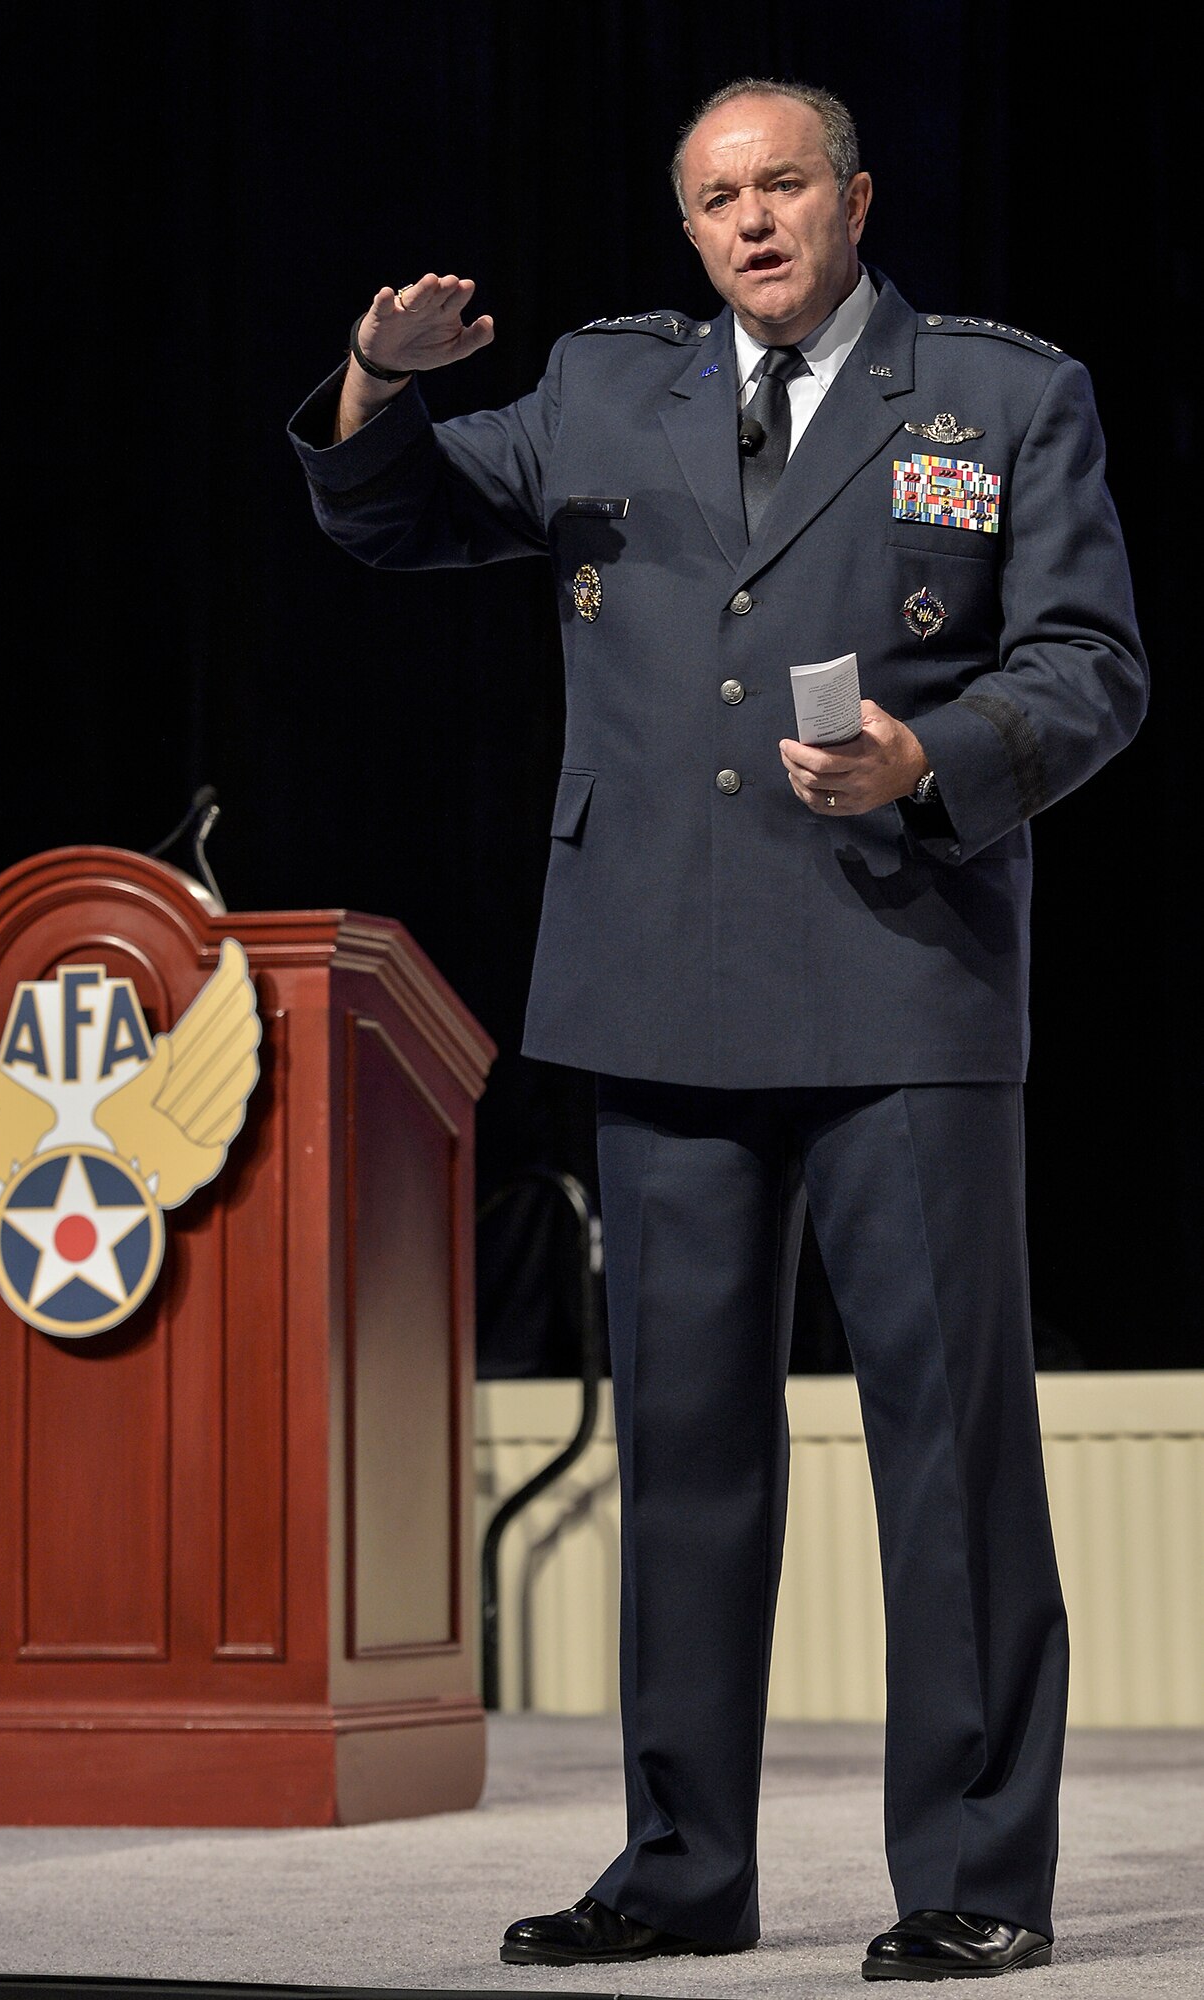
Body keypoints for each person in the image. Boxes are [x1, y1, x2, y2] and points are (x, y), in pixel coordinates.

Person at [289, 77, 1147, 1983]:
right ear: (688, 230)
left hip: (903, 975)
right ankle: (681, 1866)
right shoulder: (607, 392)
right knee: (683, 1451)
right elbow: (398, 519)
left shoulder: (1002, 392)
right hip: (657, 991)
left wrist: (935, 754)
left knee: (947, 1449)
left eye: (778, 187)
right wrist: (375, 379)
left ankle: (977, 1875)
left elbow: (1094, 664)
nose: (747, 222)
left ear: (852, 197)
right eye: (710, 200)